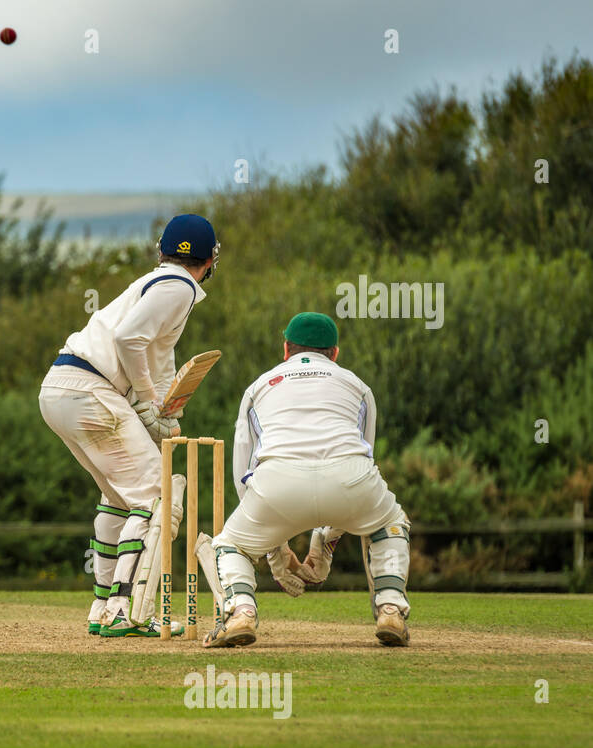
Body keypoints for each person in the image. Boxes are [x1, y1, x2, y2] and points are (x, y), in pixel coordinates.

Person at [39, 214, 219, 637]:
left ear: (161, 250)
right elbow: (128, 340)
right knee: (159, 496)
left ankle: (103, 607)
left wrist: (160, 412)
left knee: (119, 497)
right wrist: (151, 403)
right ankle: (126, 607)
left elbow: (155, 358)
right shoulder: (180, 286)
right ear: (210, 259)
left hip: (61, 389)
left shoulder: (156, 284)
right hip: (91, 391)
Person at [204, 312, 412, 648]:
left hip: (276, 483)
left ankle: (241, 613)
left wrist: (273, 545)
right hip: (351, 479)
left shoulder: (260, 386)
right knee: (390, 522)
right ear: (335, 352)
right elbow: (363, 457)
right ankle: (390, 607)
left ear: (285, 348)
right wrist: (326, 536)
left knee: (231, 544)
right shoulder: (356, 384)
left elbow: (244, 467)